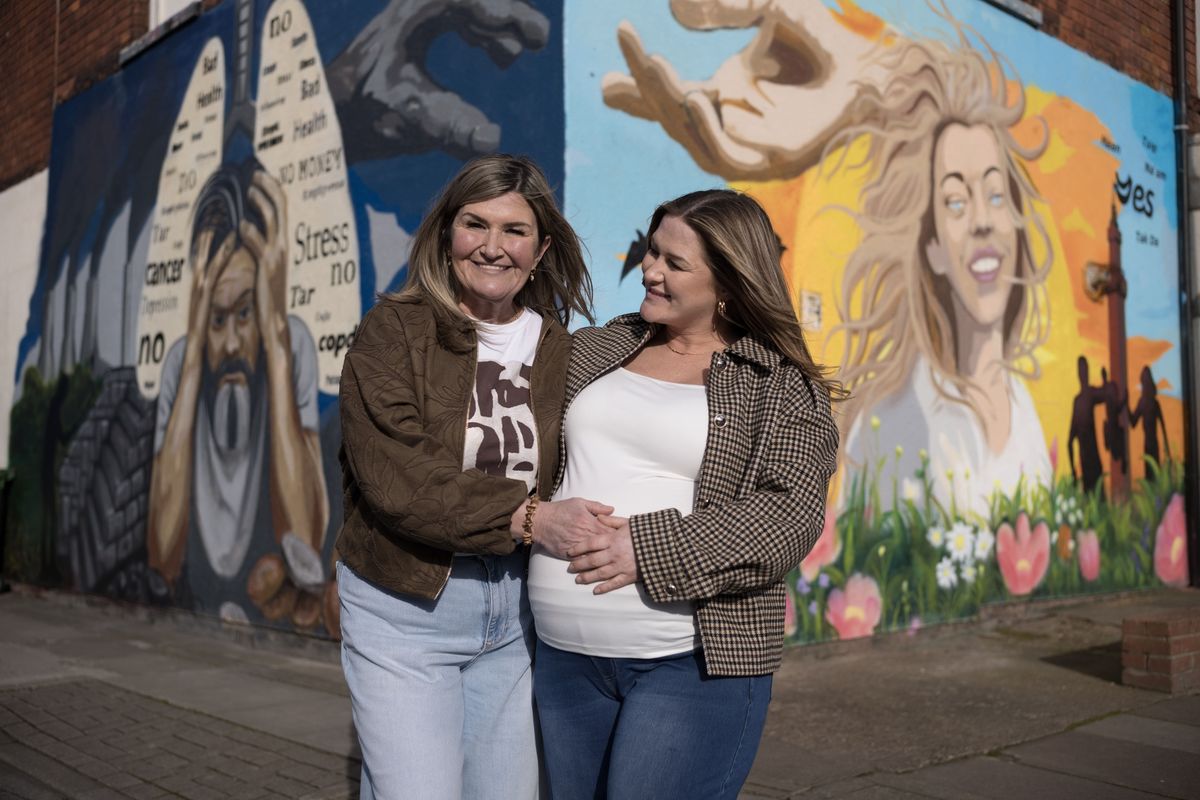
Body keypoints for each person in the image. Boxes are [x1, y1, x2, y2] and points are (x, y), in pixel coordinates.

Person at [527, 189, 839, 799]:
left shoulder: (776, 382)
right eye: (651, 251)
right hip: (564, 658)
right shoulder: (599, 348)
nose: (649, 269)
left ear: (727, 280)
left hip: (690, 664)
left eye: (674, 262)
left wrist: (649, 547)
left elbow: (790, 515)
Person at [335, 154, 607, 800]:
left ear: (540, 250)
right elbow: (398, 475)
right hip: (407, 604)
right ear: (446, 236)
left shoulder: (562, 349)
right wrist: (529, 517)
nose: (492, 247)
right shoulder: (393, 332)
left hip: (516, 609)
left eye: (514, 231)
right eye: (474, 225)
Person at [831, 22, 1053, 518]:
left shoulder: (1023, 409)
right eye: (955, 201)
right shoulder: (891, 418)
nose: (981, 221)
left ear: (1015, 225)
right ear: (931, 247)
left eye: (996, 195)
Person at [147, 161, 328, 623]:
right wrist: (191, 359)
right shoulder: (182, 367)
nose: (229, 343)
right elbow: (162, 556)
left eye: (245, 313)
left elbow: (304, 544)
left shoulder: (292, 348)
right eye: (216, 317)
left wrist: (273, 332)